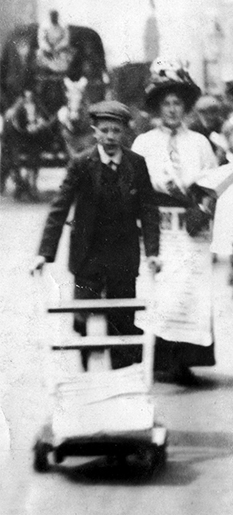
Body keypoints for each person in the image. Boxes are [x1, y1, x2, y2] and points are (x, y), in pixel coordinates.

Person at [31, 101, 161, 369]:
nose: (110, 136)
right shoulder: (81, 163)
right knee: (83, 318)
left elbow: (148, 210)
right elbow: (60, 207)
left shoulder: (136, 165)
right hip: (87, 255)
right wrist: (44, 254)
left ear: (125, 132)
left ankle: (120, 386)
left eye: (116, 130)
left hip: (123, 256)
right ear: (95, 131)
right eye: (104, 130)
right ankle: (86, 380)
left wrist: (153, 253)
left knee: (122, 322)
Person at [131, 59, 218, 386]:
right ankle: (156, 358)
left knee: (188, 290)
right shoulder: (144, 143)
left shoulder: (200, 143)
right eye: (166, 103)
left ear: (185, 106)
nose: (171, 109)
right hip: (159, 225)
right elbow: (136, 187)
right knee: (159, 288)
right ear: (157, 106)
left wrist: (206, 207)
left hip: (191, 226)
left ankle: (184, 359)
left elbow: (212, 183)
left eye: (177, 103)